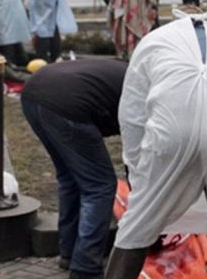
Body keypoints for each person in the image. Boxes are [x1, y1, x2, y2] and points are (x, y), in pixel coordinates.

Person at [104, 13, 207, 279]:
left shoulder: (153, 42)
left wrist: (138, 177)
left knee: (138, 226)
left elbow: (132, 116)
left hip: (172, 132)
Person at [21, 59, 128, 279]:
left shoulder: (132, 75)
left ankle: (69, 253)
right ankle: (86, 267)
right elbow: (135, 155)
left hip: (34, 92)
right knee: (99, 186)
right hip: (67, 104)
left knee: (70, 178)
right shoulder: (148, 94)